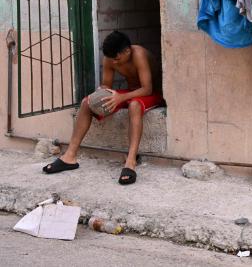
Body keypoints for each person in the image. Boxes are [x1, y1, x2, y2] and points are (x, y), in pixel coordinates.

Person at [43, 31, 164, 185]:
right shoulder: (110, 58)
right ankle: (69, 157)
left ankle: (131, 162)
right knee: (86, 103)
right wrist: (101, 95)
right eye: (111, 59)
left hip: (150, 93)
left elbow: (147, 89)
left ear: (127, 51)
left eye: (117, 59)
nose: (114, 63)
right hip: (130, 92)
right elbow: (107, 84)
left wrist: (121, 97)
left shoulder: (138, 54)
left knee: (134, 105)